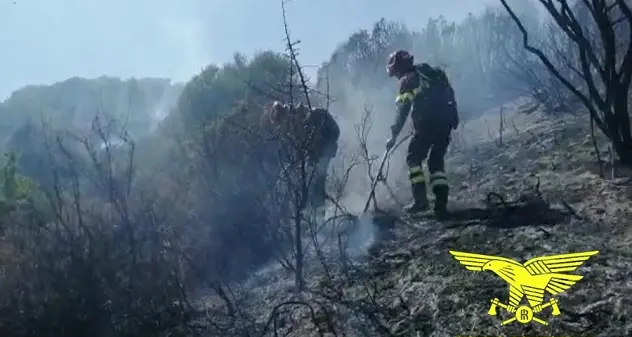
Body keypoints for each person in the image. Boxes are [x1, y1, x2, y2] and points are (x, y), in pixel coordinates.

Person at [385, 50, 459, 220]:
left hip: (427, 126)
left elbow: (402, 110)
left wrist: (394, 135)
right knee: (435, 162)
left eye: (395, 73)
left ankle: (420, 201)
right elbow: (451, 94)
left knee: (413, 158)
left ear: (399, 69)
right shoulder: (435, 73)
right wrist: (454, 118)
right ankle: (441, 205)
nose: (396, 77)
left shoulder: (407, 79)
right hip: (446, 123)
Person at [264, 101, 340, 217]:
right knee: (311, 184)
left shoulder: (300, 115)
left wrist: (307, 152)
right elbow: (302, 146)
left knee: (316, 183)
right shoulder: (294, 120)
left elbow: (310, 138)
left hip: (324, 149)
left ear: (282, 115)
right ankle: (313, 216)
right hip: (318, 152)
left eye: (279, 122)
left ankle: (318, 218)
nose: (280, 126)